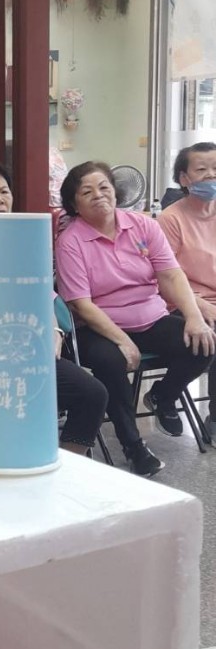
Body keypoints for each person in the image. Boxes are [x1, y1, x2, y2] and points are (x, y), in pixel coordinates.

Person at [0, 160, 108, 458]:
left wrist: (54, 330)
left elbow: (44, 297)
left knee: (92, 393)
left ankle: (68, 461)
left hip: (29, 352)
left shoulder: (22, 243)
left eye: (4, 191)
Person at [55, 160, 215, 477]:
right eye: (87, 192)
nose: (98, 195)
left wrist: (194, 316)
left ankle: (163, 397)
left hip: (150, 316)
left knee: (203, 343)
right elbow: (81, 305)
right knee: (110, 362)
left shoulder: (143, 226)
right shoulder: (71, 241)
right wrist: (122, 340)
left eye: (104, 187)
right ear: (74, 204)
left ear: (116, 191)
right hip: (98, 327)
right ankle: (133, 446)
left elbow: (171, 275)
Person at [157, 141, 216, 435]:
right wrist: (199, 305)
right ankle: (166, 396)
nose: (211, 175)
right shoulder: (170, 219)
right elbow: (164, 278)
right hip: (184, 302)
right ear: (183, 178)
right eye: (202, 169)